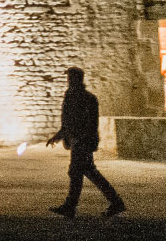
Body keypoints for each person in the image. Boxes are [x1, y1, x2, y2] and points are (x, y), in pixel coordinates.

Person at [45, 67, 126, 217]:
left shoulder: (83, 98)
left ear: (76, 79)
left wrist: (76, 139)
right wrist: (58, 136)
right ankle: (115, 202)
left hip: (81, 142)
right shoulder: (78, 96)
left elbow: (87, 124)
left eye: (70, 77)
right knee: (88, 172)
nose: (68, 80)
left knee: (77, 172)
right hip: (80, 141)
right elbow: (68, 121)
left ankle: (72, 206)